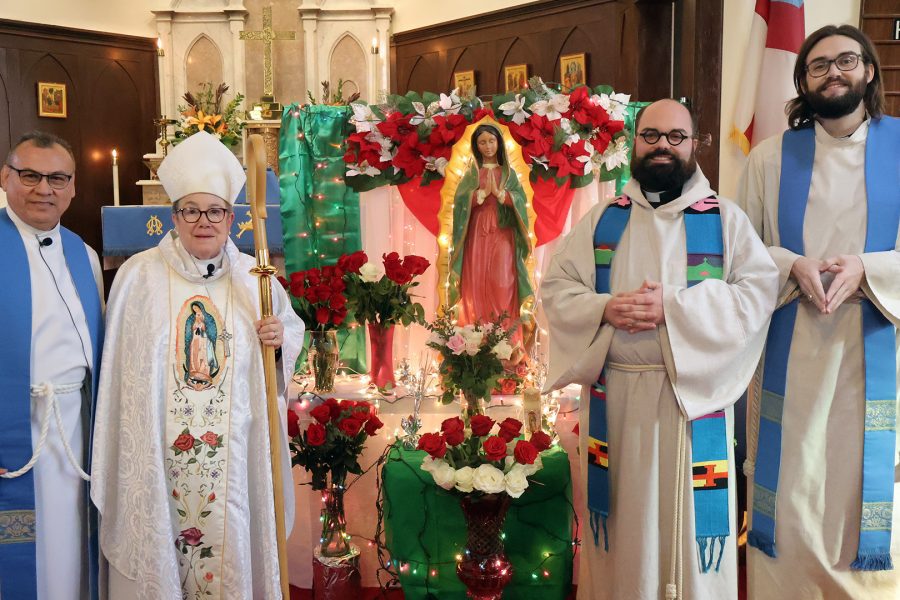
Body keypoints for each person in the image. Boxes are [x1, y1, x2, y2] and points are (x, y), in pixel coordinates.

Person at [543, 99, 778, 600]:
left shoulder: (724, 220)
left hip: (690, 408)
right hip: (619, 402)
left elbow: (758, 294)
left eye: (676, 137)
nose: (663, 147)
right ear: (636, 143)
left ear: (694, 145)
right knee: (624, 537)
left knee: (686, 541)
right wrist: (604, 308)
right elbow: (558, 286)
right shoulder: (606, 217)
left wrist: (674, 307)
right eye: (651, 136)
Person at [90, 131, 304, 598]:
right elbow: (122, 377)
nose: (203, 222)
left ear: (231, 217)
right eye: (191, 210)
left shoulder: (257, 281)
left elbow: (286, 344)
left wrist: (279, 340)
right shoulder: (138, 277)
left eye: (214, 211)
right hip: (158, 461)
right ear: (174, 216)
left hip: (237, 465)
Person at [737, 24, 900, 599]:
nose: (834, 72)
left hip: (879, 347)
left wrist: (870, 269)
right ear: (803, 82)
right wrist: (788, 265)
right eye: (819, 65)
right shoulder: (769, 158)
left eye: (846, 61)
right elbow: (743, 250)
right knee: (793, 488)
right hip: (793, 343)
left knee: (862, 488)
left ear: (869, 71)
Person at [0, 131, 103, 600]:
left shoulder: (85, 255)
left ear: (73, 186)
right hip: (13, 426)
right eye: (30, 176)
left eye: (57, 178)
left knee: (70, 550)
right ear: (6, 178)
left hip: (75, 428)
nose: (44, 189)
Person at [448, 123, 533, 356]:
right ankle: (476, 345)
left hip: (503, 234)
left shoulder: (509, 174)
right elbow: (460, 207)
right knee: (476, 283)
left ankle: (507, 346)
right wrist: (478, 195)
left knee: (503, 282)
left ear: (499, 143)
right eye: (482, 142)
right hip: (476, 236)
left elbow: (521, 204)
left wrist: (503, 195)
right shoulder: (471, 175)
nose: (487, 146)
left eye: (491, 141)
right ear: (476, 146)